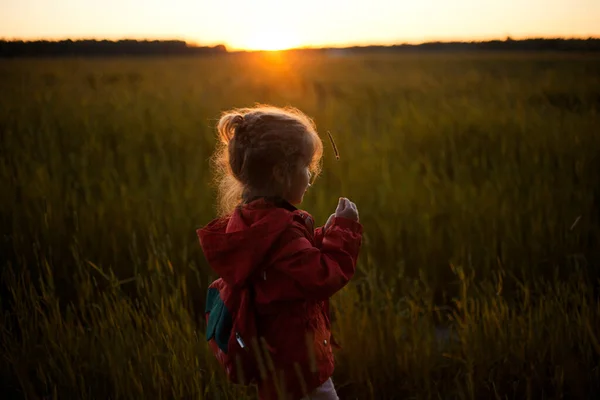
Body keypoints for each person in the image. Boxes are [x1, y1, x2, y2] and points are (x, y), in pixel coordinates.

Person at [197, 104, 363, 400]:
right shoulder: (283, 232)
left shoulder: (251, 223)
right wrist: (344, 230)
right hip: (300, 367)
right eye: (306, 167)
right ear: (281, 173)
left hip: (272, 362)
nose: (311, 177)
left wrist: (322, 234)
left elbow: (290, 262)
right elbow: (321, 276)